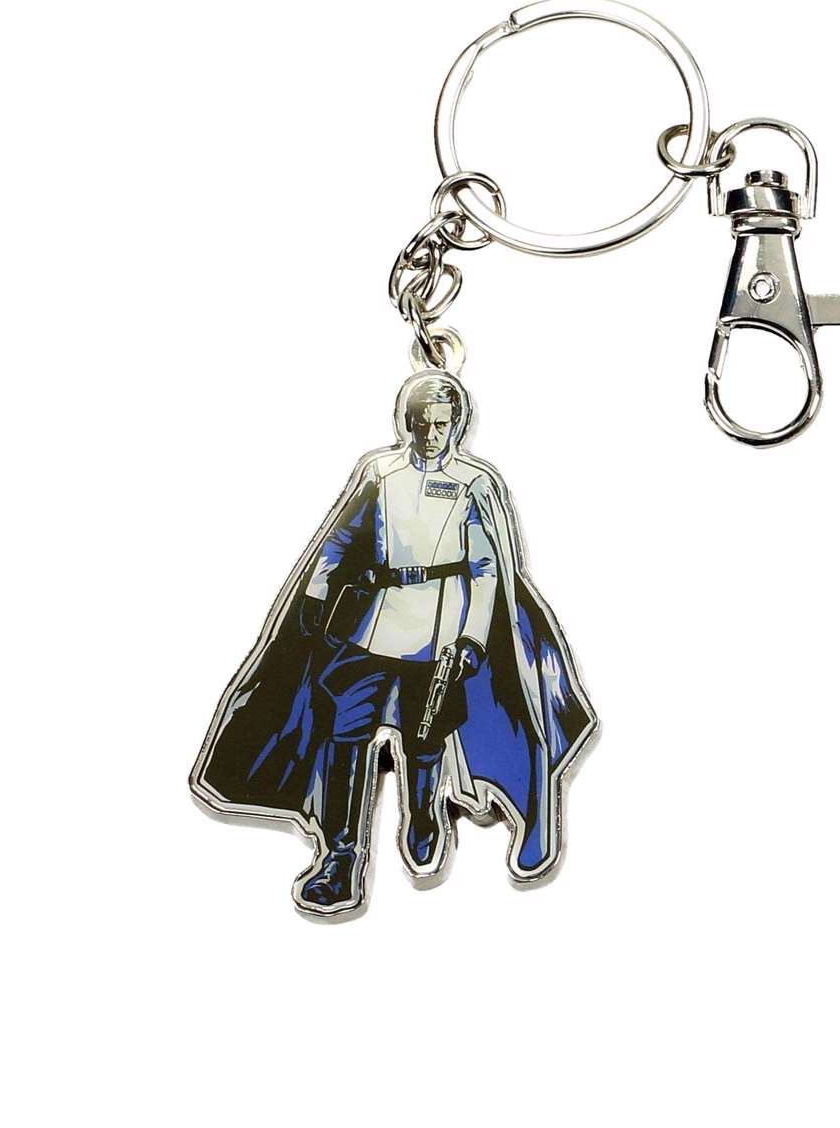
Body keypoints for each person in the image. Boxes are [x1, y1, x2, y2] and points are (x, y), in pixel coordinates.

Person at [190, 370, 596, 916]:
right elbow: (341, 537)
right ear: (406, 422)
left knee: (424, 737)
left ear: (456, 426)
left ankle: (424, 814)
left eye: (441, 424)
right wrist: (316, 592)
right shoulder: (380, 472)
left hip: (437, 633)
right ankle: (340, 857)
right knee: (345, 737)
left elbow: (486, 570)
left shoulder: (474, 483)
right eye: (421, 423)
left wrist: (472, 637)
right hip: (371, 627)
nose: (430, 434)